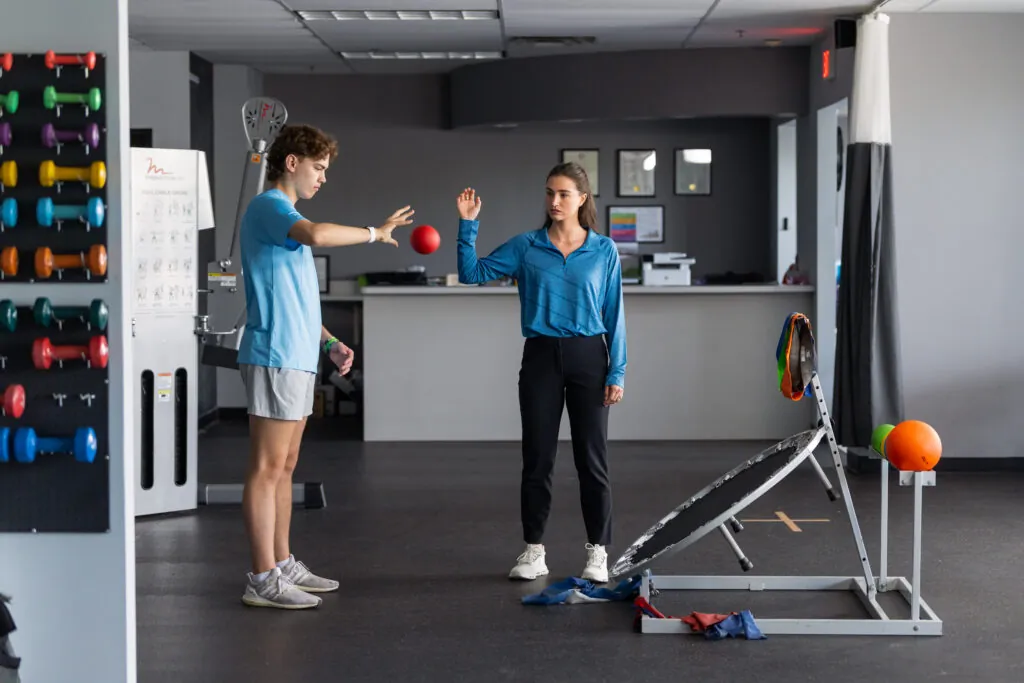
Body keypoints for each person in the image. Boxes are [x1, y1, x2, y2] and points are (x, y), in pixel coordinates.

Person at [236, 123, 414, 609]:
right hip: (274, 354)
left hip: (296, 355)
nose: (323, 178)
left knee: (286, 466)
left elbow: (295, 297)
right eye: (319, 168)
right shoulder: (271, 208)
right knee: (266, 467)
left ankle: (282, 563)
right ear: (291, 163)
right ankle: (261, 578)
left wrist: (331, 341)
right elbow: (317, 233)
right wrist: (376, 233)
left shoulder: (284, 215)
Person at [456, 162, 626, 583]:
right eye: (550, 193)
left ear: (582, 199)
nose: (554, 201)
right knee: (537, 460)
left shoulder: (603, 250)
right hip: (540, 358)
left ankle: (598, 552)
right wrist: (468, 226)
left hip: (590, 357)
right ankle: (534, 551)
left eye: (564, 194)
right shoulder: (526, 246)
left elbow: (615, 313)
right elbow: (471, 273)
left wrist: (616, 372)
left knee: (593, 461)